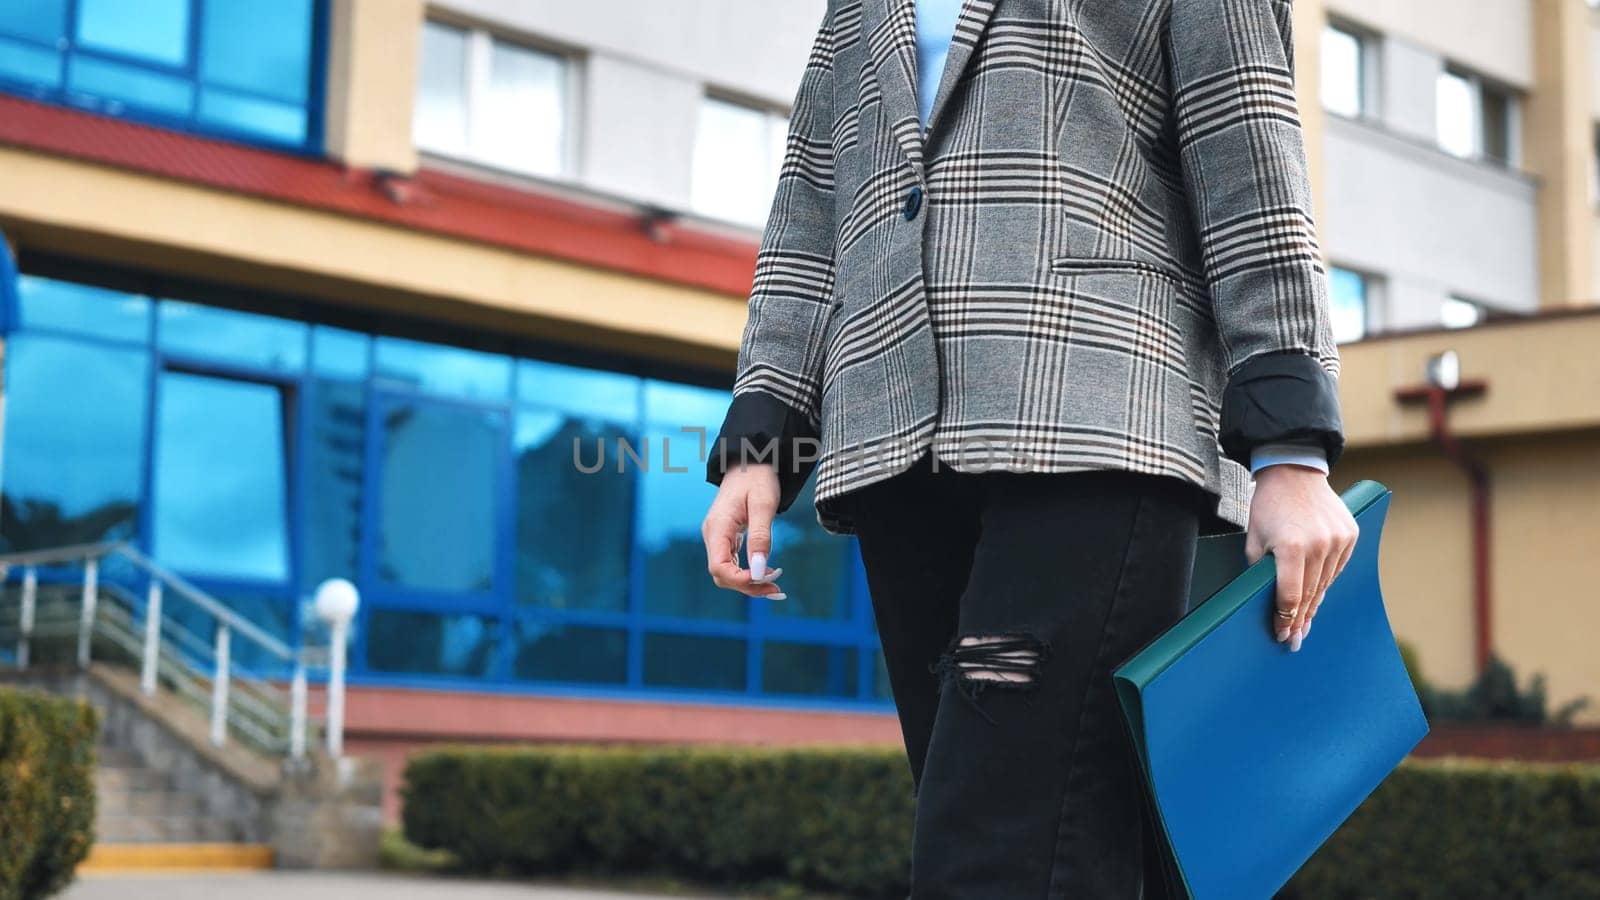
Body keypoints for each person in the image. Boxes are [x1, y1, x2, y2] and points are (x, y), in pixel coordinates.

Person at [700, 0, 1358, 896]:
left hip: (1096, 414)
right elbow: (813, 195)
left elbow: (1245, 146)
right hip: (895, 441)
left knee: (996, 847)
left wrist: (1290, 448)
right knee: (1060, 836)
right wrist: (763, 434)